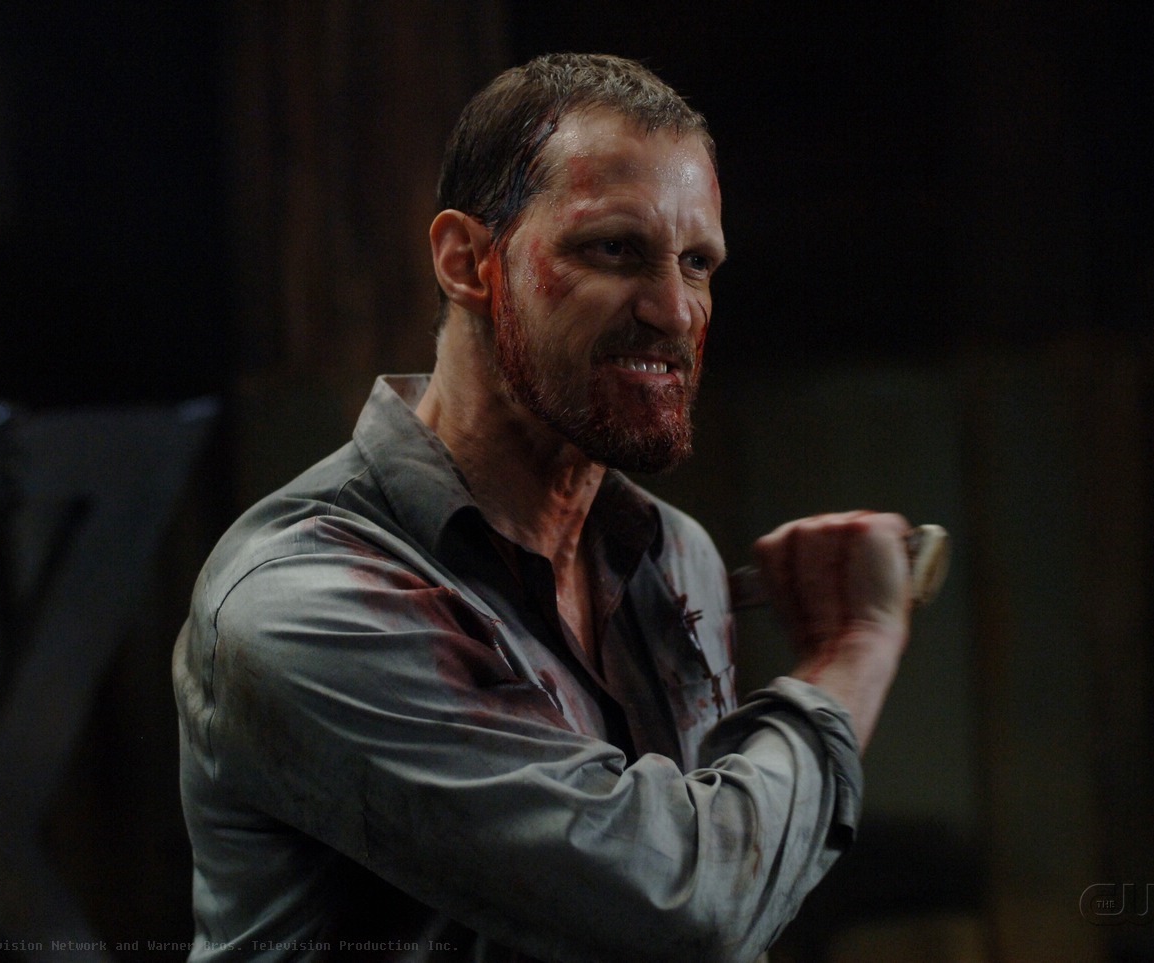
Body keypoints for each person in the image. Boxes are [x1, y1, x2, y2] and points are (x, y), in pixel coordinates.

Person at [173, 53, 914, 962]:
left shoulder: (669, 555)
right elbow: (681, 906)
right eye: (614, 249)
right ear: (467, 261)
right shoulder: (305, 602)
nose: (675, 310)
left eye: (697, 263)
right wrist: (849, 656)